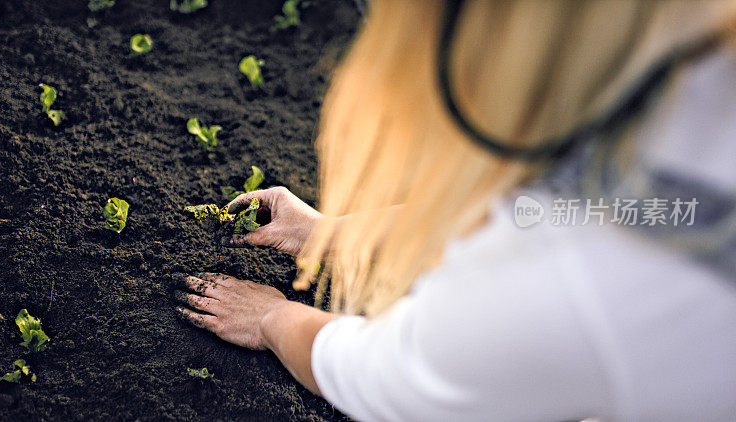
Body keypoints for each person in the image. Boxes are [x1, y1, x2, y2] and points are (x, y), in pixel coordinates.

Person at [174, 1, 736, 420]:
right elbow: (565, 209)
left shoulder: (576, 290)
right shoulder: (692, 60)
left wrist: (274, 319)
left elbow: (387, 374)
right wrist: (331, 233)